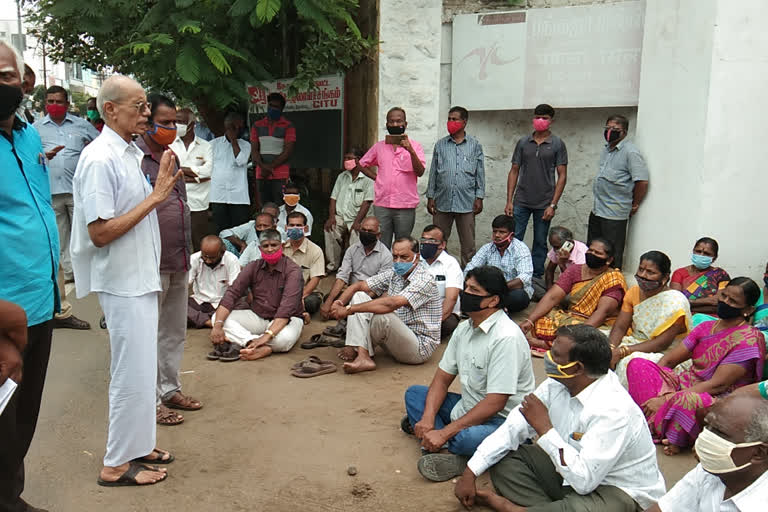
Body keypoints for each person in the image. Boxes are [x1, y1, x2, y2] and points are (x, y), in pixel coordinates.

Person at [71, 75, 180, 486]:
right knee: (128, 373)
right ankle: (116, 463)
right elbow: (98, 232)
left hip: (139, 277)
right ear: (110, 109)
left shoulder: (127, 151)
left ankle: (139, 445)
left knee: (141, 369)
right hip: (122, 281)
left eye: (145, 105)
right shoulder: (100, 158)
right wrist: (156, 196)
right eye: (138, 106)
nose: (147, 113)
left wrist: (157, 190)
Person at [454, 325, 666, 512]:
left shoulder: (613, 410)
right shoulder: (556, 384)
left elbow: (585, 481)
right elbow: (512, 428)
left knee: (583, 506)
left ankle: (516, 509)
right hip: (572, 471)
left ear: (577, 368)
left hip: (618, 490)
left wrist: (545, 430)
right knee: (506, 460)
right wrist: (471, 472)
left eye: (555, 355)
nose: (547, 357)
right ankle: (545, 509)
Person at [404, 265, 535, 482]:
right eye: (466, 288)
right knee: (415, 394)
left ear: (493, 301)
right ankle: (444, 443)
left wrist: (444, 432)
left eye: (474, 291)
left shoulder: (506, 337)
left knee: (465, 438)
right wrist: (428, 418)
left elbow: (496, 403)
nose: (465, 294)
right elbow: (442, 378)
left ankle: (456, 452)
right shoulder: (464, 328)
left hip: (502, 420)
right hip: (469, 407)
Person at [0, 41, 61, 510]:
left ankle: (11, 499)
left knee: (22, 421)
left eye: (6, 76)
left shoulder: (27, 135)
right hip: (4, 315)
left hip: (39, 304)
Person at [626, 277, 765, 456]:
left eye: (733, 301)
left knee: (687, 400)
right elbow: (669, 360)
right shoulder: (706, 327)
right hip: (686, 384)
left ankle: (653, 423)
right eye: (724, 296)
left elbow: (718, 385)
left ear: (748, 310)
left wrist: (665, 398)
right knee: (638, 364)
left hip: (718, 397)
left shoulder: (749, 339)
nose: (725, 302)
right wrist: (660, 384)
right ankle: (662, 425)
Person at [138, 93, 201, 425]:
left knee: (174, 330)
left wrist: (188, 253)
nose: (171, 128)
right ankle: (150, 402)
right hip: (151, 260)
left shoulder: (171, 157)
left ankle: (170, 389)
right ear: (147, 122)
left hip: (178, 256)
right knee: (149, 331)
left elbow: (180, 204)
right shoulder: (134, 159)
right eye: (164, 122)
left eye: (175, 122)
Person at [34, 85, 100, 330]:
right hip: (50, 191)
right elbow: (30, 157)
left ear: (68, 103)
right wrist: (42, 157)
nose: (54, 105)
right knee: (60, 238)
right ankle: (72, 274)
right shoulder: (36, 129)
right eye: (50, 101)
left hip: (78, 190)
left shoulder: (81, 125)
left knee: (85, 233)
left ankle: (91, 274)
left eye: (59, 101)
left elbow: (99, 144)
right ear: (44, 104)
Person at [332, 237, 441, 374]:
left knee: (384, 316)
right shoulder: (394, 273)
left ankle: (357, 348)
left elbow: (391, 304)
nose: (398, 261)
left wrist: (348, 310)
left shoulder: (425, 280)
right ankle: (362, 354)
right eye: (395, 257)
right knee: (359, 296)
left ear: (417, 257)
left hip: (418, 348)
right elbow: (359, 285)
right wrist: (339, 303)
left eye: (404, 257)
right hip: (396, 337)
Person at [646, 394, 768, 512]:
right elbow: (664, 508)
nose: (705, 436)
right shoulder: (710, 471)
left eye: (720, 433)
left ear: (758, 453)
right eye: (707, 426)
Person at [208, 229, 304, 362]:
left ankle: (247, 342)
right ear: (260, 248)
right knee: (216, 319)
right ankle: (252, 343)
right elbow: (232, 294)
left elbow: (286, 310)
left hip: (288, 320)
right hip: (258, 316)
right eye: (265, 246)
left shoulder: (293, 271)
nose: (270, 249)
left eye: (274, 245)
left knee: (283, 341)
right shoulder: (253, 266)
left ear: (281, 246)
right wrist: (218, 326)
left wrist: (267, 336)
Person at [520, 238, 626, 355]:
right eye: (590, 250)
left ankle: (550, 344)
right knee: (541, 317)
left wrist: (576, 336)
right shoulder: (575, 270)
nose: (592, 254)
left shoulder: (613, 278)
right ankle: (560, 344)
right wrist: (529, 321)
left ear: (609, 260)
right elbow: (552, 297)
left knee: (595, 339)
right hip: (571, 318)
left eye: (598, 253)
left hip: (598, 324)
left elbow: (602, 312)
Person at [504, 104, 568, 280]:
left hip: (545, 203)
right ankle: (512, 273)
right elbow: (514, 170)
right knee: (514, 238)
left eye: (545, 118)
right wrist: (509, 200)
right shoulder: (523, 142)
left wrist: (553, 205)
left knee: (540, 241)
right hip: (521, 200)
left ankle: (536, 276)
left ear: (551, 121)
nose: (540, 121)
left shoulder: (557, 144)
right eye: (537, 117)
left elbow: (562, 176)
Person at [608, 250, 691, 386]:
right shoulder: (634, 291)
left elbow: (662, 343)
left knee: (628, 362)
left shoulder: (676, 302)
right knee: (596, 344)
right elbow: (620, 326)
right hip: (635, 342)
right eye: (641, 269)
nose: (642, 275)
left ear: (665, 278)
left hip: (666, 353)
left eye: (650, 272)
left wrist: (622, 351)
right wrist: (611, 348)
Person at [587, 115, 649, 270]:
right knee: (593, 252)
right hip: (598, 210)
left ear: (625, 132)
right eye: (607, 128)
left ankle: (611, 286)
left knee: (611, 255)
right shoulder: (606, 150)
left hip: (614, 214)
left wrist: (635, 204)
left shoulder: (630, 152)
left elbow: (642, 181)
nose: (610, 132)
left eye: (615, 129)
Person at [426, 106, 485, 266]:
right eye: (449, 119)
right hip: (442, 201)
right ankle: (440, 273)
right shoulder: (440, 145)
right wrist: (430, 196)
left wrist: (479, 197)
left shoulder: (474, 145)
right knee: (437, 242)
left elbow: (480, 173)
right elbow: (433, 172)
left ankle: (468, 278)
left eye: (455, 119)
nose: (450, 122)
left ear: (464, 122)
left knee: (468, 245)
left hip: (466, 203)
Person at [316, 217, 392, 341]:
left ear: (378, 235)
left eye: (370, 231)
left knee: (362, 304)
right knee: (329, 298)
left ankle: (348, 325)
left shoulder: (386, 256)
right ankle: (343, 316)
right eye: (363, 230)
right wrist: (330, 303)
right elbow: (342, 277)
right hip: (350, 291)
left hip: (371, 294)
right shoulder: (352, 249)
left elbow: (378, 288)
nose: (366, 233)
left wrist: (353, 301)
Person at [359, 107, 426, 248]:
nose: (395, 124)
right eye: (391, 122)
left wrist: (410, 151)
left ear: (405, 124)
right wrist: (377, 178)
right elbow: (362, 164)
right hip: (383, 204)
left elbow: (420, 171)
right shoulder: (379, 147)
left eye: (399, 121)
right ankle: (385, 270)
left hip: (405, 205)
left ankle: (400, 270)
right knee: (382, 244)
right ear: (387, 124)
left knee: (403, 244)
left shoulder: (415, 146)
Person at [464, 215, 533, 314]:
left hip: (510, 291)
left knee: (519, 297)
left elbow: (524, 277)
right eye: (495, 231)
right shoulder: (487, 248)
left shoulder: (521, 249)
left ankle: (489, 307)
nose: (497, 235)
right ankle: (497, 308)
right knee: (464, 286)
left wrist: (499, 289)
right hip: (488, 291)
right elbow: (469, 269)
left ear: (511, 235)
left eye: (502, 232)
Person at [324, 148, 374, 272]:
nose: (346, 161)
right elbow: (333, 198)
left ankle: (352, 270)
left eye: (349, 158)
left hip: (359, 218)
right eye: (345, 158)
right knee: (330, 229)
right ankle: (332, 266)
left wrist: (357, 222)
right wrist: (331, 217)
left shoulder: (368, 179)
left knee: (357, 238)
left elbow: (367, 202)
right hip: (341, 216)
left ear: (359, 160)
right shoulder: (342, 176)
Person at [170, 108, 213, 252]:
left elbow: (207, 171)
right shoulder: (170, 144)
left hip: (199, 203)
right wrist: (195, 175)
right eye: (176, 121)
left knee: (198, 241)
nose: (177, 125)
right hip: (175, 200)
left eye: (181, 122)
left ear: (192, 124)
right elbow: (169, 170)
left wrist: (180, 171)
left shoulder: (206, 146)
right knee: (177, 241)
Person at [251, 92, 296, 205]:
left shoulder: (288, 126)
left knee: (280, 207)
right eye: (271, 105)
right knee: (264, 207)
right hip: (261, 174)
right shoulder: (257, 125)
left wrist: (269, 168)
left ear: (282, 109)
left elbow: (288, 151)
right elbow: (254, 150)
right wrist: (263, 167)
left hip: (280, 175)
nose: (272, 108)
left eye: (276, 107)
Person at [209, 112, 251, 232]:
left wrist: (233, 141)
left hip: (238, 196)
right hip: (218, 195)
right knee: (221, 230)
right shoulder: (213, 145)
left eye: (240, 127)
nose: (237, 129)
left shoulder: (246, 145)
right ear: (226, 127)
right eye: (233, 127)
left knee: (239, 230)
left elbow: (241, 161)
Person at [420, 225, 464, 338]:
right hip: (418, 310)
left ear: (442, 245)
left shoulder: (451, 264)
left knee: (446, 325)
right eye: (424, 240)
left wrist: (433, 323)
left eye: (432, 241)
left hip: (443, 313)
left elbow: (451, 299)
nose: (426, 244)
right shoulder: (416, 260)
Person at [188, 235, 241, 329]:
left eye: (212, 258)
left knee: (243, 306)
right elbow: (185, 283)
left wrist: (223, 307)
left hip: (223, 304)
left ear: (222, 252)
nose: (208, 261)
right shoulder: (194, 258)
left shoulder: (232, 260)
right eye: (204, 257)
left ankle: (202, 319)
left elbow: (235, 289)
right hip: (199, 302)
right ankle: (209, 322)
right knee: (176, 305)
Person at [670, 237, 730, 315]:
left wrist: (689, 302)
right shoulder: (679, 273)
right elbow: (677, 302)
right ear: (693, 252)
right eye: (698, 251)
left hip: (712, 320)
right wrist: (707, 303)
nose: (701, 255)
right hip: (684, 318)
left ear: (714, 258)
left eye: (707, 253)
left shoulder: (721, 275)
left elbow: (719, 302)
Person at [282, 211, 325, 315]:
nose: (295, 228)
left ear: (305, 229)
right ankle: (298, 313)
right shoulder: (280, 248)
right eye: (291, 225)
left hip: (306, 293)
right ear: (286, 228)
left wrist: (299, 297)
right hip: (284, 291)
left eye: (298, 225)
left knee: (310, 303)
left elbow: (315, 279)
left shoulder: (315, 250)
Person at [543, 225, 588, 291]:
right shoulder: (557, 248)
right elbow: (550, 270)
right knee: (533, 282)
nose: (555, 250)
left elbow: (574, 282)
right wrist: (549, 290)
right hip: (561, 286)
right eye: (553, 247)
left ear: (568, 243)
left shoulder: (582, 253)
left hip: (575, 289)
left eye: (557, 247)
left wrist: (562, 264)